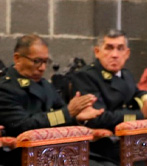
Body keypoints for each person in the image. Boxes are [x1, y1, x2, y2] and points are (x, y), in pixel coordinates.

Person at [0, 35, 102, 165]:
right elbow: (23, 126)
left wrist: (77, 117)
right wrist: (68, 113)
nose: (42, 68)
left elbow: (61, 115)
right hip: (27, 155)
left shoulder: (45, 85)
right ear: (17, 58)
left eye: (45, 62)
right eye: (37, 61)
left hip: (56, 151)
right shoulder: (6, 88)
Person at [72, 29, 147, 165]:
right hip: (104, 142)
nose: (115, 55)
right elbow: (98, 117)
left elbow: (135, 92)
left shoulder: (125, 74)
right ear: (97, 52)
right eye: (109, 48)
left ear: (127, 53)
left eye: (120, 49)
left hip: (128, 139)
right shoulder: (86, 76)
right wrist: (139, 115)